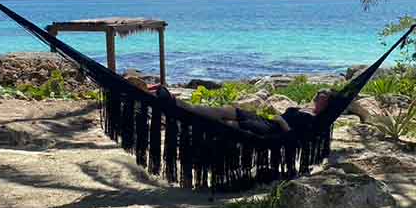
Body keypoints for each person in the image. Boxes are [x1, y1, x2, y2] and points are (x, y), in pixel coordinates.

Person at [143, 84, 337, 135]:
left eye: (323, 100)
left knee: (225, 124)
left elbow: (293, 136)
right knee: (225, 110)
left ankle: (181, 114)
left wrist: (281, 121)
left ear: (327, 105)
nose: (319, 101)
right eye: (319, 97)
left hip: (271, 130)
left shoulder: (314, 121)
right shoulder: (306, 109)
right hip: (264, 119)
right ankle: (177, 103)